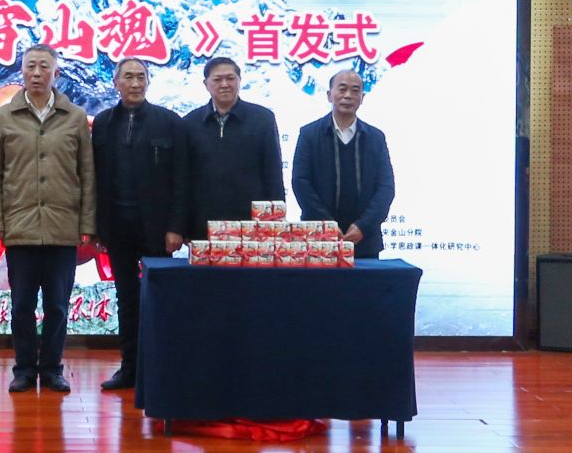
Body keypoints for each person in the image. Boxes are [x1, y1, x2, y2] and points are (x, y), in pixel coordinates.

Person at [0, 44, 95, 394]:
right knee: (21, 305)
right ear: (22, 72)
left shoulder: (74, 117)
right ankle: (23, 369)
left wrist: (87, 224)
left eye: (44, 67)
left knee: (57, 306)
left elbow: (87, 174)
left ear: (56, 73)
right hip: (20, 227)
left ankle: (52, 369)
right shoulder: (5, 117)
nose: (36, 73)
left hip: (63, 227)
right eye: (30, 66)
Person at [90, 58, 190, 394]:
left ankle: (160, 368)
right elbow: (95, 178)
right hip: (117, 228)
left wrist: (176, 227)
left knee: (159, 300)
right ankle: (129, 368)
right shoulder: (103, 123)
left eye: (141, 77)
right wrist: (98, 227)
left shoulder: (169, 122)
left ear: (148, 82)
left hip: (158, 230)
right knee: (126, 299)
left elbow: (181, 180)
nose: (135, 83)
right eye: (128, 77)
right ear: (116, 82)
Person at [291, 67, 396, 259]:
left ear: (362, 98)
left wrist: (363, 226)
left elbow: (386, 187)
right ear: (329, 95)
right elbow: (301, 182)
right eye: (342, 89)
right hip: (319, 239)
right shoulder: (309, 134)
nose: (348, 95)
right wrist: (326, 225)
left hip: (365, 240)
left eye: (355, 90)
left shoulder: (375, 138)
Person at [182, 56, 284, 234]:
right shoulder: (190, 122)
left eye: (230, 78)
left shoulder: (262, 119)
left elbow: (273, 172)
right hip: (203, 223)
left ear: (239, 80)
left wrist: (276, 220)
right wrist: (183, 226)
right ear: (206, 84)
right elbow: (183, 178)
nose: (224, 84)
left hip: (252, 223)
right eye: (217, 79)